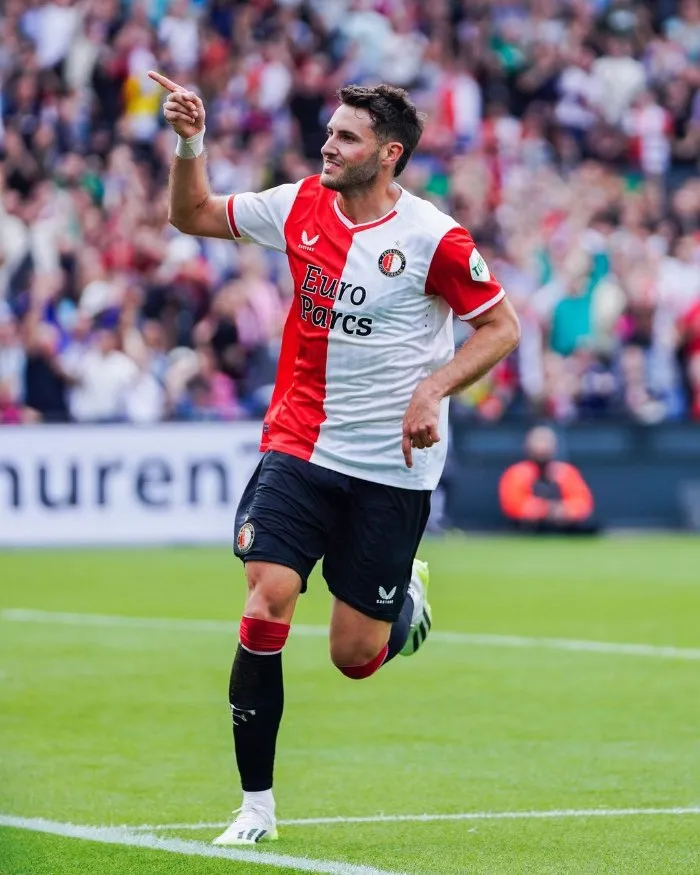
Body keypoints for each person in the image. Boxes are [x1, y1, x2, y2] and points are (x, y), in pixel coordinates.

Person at [150, 69, 521, 845]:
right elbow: (187, 213)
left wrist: (433, 390)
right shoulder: (295, 205)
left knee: (354, 657)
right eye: (329, 129)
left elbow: (500, 327)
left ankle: (403, 603)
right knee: (266, 598)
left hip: (392, 467)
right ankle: (256, 807)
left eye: (346, 137)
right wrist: (190, 139)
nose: (328, 143)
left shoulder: (434, 237)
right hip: (300, 443)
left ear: (387, 155)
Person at [499, 425, 597, 534]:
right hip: (530, 527)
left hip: (563, 525)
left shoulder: (565, 472)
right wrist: (545, 510)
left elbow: (583, 502)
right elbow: (513, 504)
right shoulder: (518, 473)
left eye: (546, 442)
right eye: (538, 442)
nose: (542, 447)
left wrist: (564, 510)